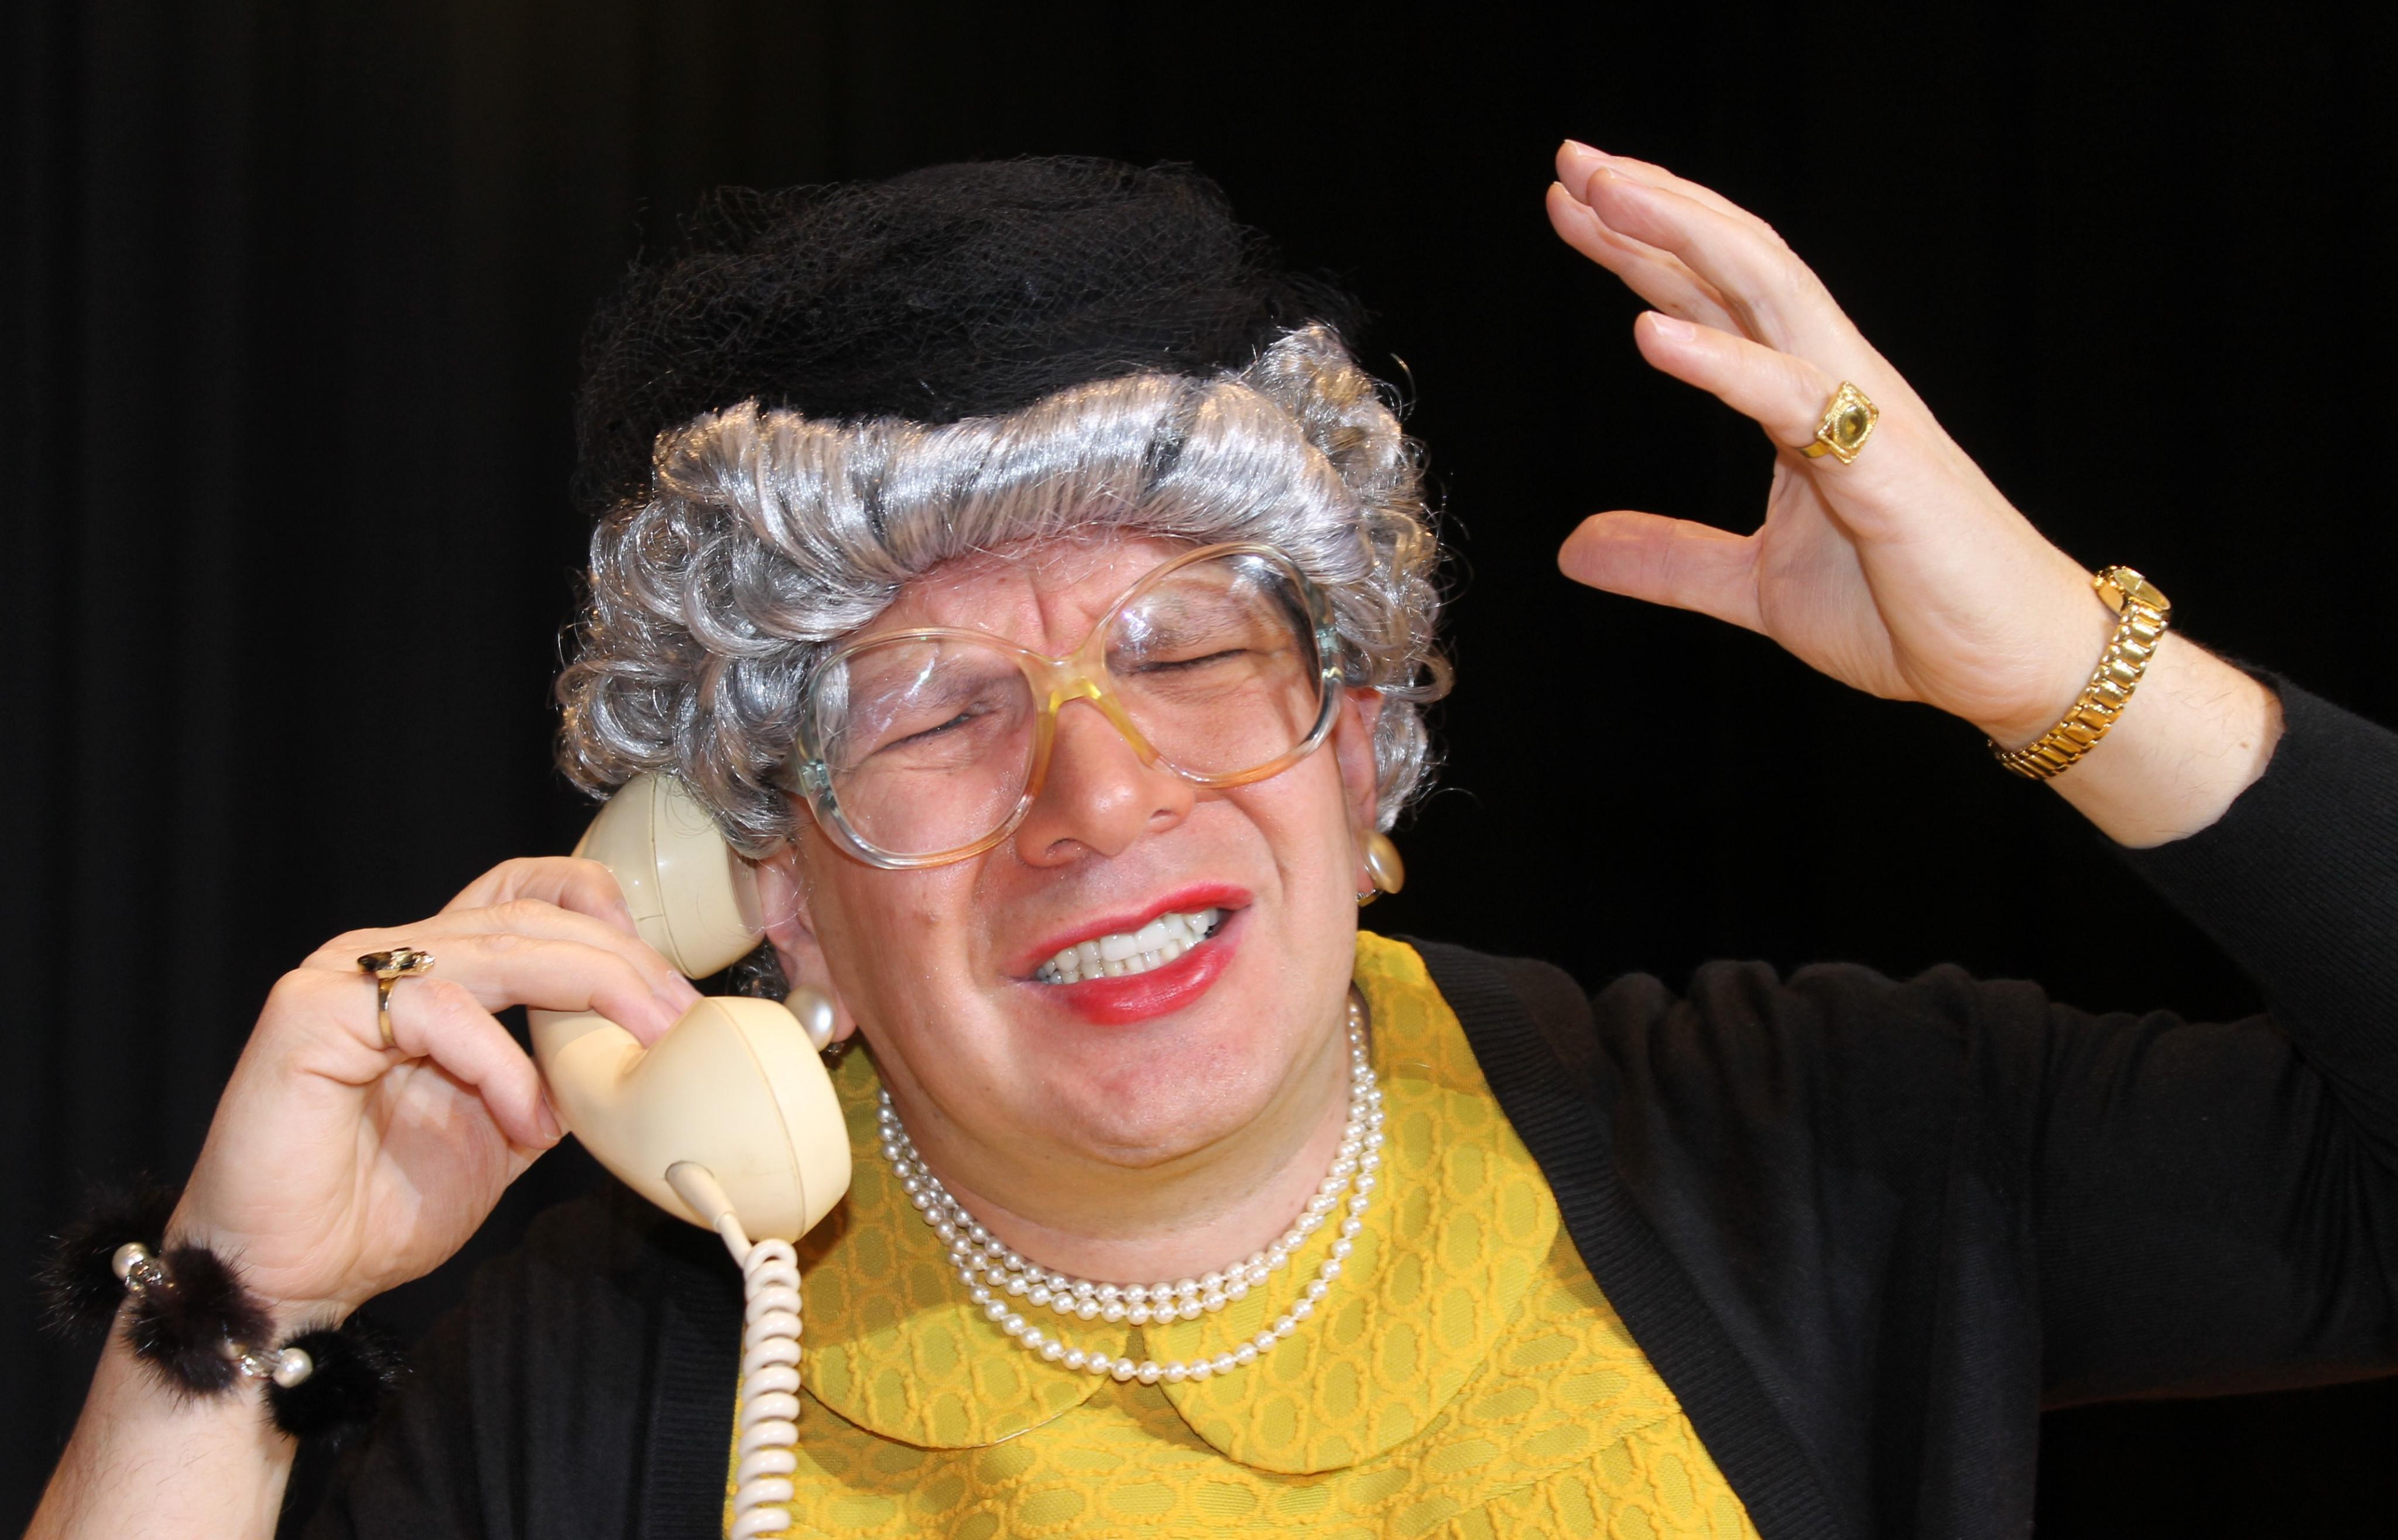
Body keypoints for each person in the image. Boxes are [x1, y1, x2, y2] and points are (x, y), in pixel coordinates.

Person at [27, 149, 2395, 1540]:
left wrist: (2059, 666)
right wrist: (238, 1309)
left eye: (1185, 649)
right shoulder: (600, 1381)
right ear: (771, 881)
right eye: (933, 707)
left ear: (1365, 743)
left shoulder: (1806, 1147)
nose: (1102, 797)